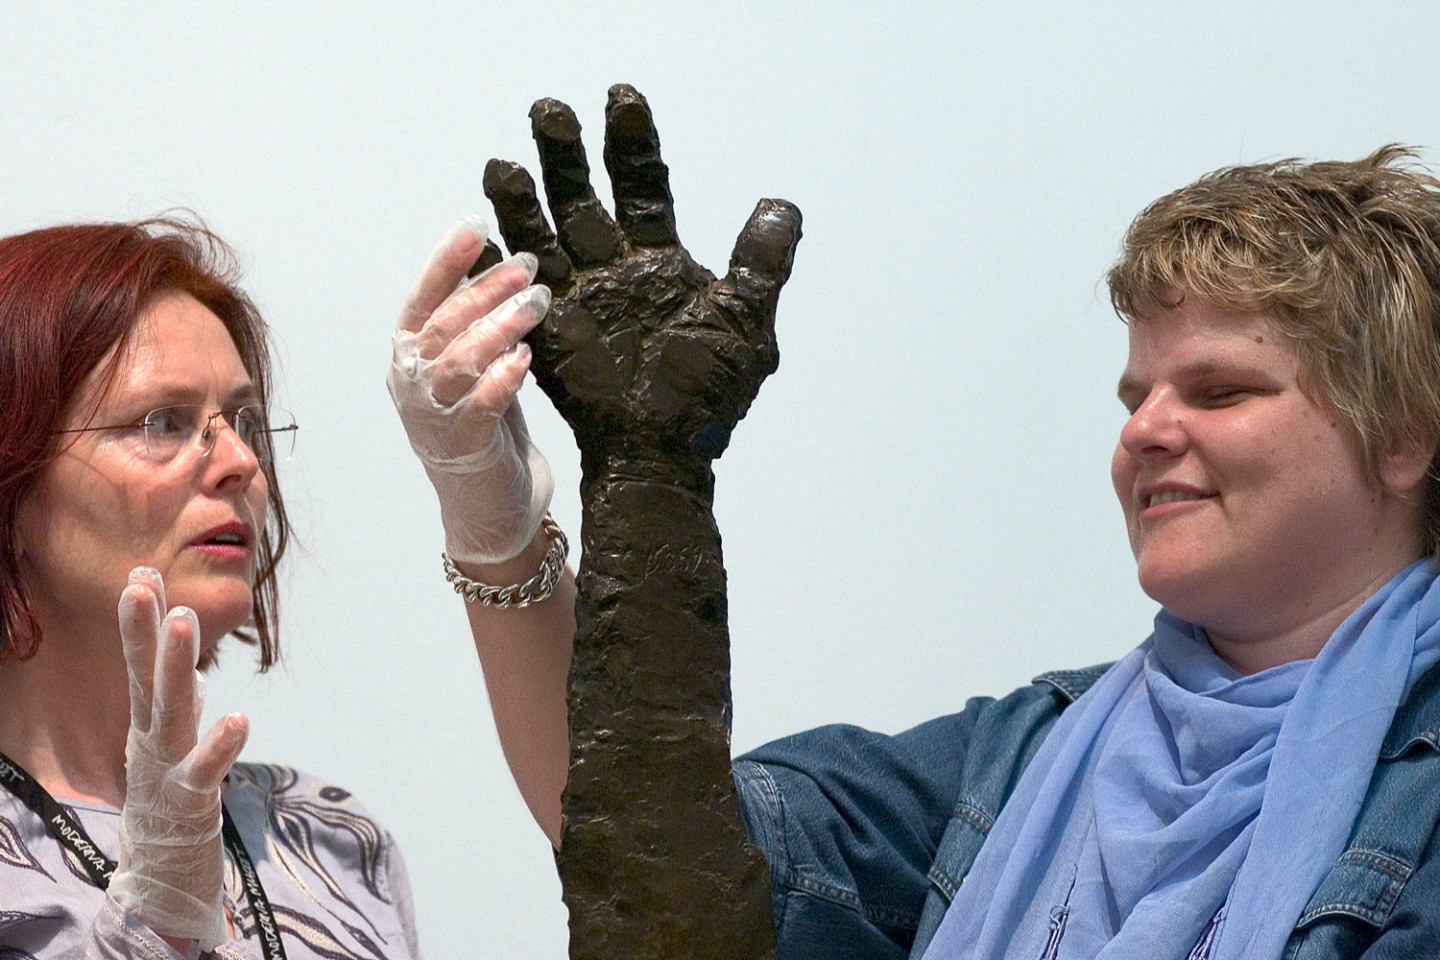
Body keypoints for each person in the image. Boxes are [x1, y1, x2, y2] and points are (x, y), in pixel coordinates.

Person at [399, 137, 1440, 958]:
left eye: (1219, 391)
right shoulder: (1023, 756)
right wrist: (634, 483)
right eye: (1136, 397)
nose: (1146, 431)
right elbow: (667, 865)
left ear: (1402, 439)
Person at [0, 217, 548, 959]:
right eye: (164, 422)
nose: (238, 461)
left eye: (247, 421)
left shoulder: (332, 839)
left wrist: (509, 544)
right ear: (15, 490)